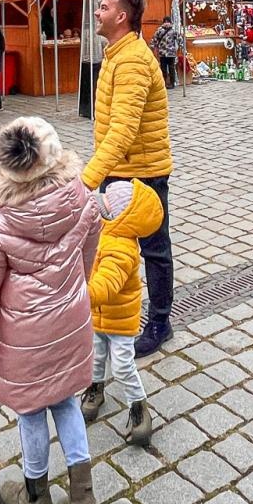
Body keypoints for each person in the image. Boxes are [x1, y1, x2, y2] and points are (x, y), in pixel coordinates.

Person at [0, 118, 104, 504]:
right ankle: (83, 494)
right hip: (70, 321)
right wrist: (76, 287)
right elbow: (88, 255)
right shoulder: (83, 199)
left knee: (31, 411)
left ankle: (35, 494)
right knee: (67, 401)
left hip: (25, 339)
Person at [83, 0, 175, 357]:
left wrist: (87, 178)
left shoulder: (133, 59)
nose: (96, 11)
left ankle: (159, 321)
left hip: (142, 174)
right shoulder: (116, 54)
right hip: (121, 170)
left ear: (121, 16)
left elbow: (124, 129)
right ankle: (118, 318)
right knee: (117, 248)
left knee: (153, 249)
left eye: (103, 7)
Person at [79, 179, 161, 446]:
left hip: (119, 322)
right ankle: (95, 390)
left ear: (121, 217)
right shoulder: (104, 231)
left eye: (106, 204)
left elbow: (107, 285)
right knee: (95, 357)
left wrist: (80, 296)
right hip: (97, 317)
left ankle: (139, 408)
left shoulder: (122, 248)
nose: (100, 204)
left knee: (123, 365)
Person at [150, 17, 183, 89]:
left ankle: (172, 83)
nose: (167, 23)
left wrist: (182, 47)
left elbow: (179, 38)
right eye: (165, 21)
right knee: (163, 69)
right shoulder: (159, 31)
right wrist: (152, 47)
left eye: (168, 21)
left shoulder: (173, 31)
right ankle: (164, 83)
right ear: (163, 22)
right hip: (163, 53)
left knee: (171, 68)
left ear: (170, 23)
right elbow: (154, 39)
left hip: (171, 53)